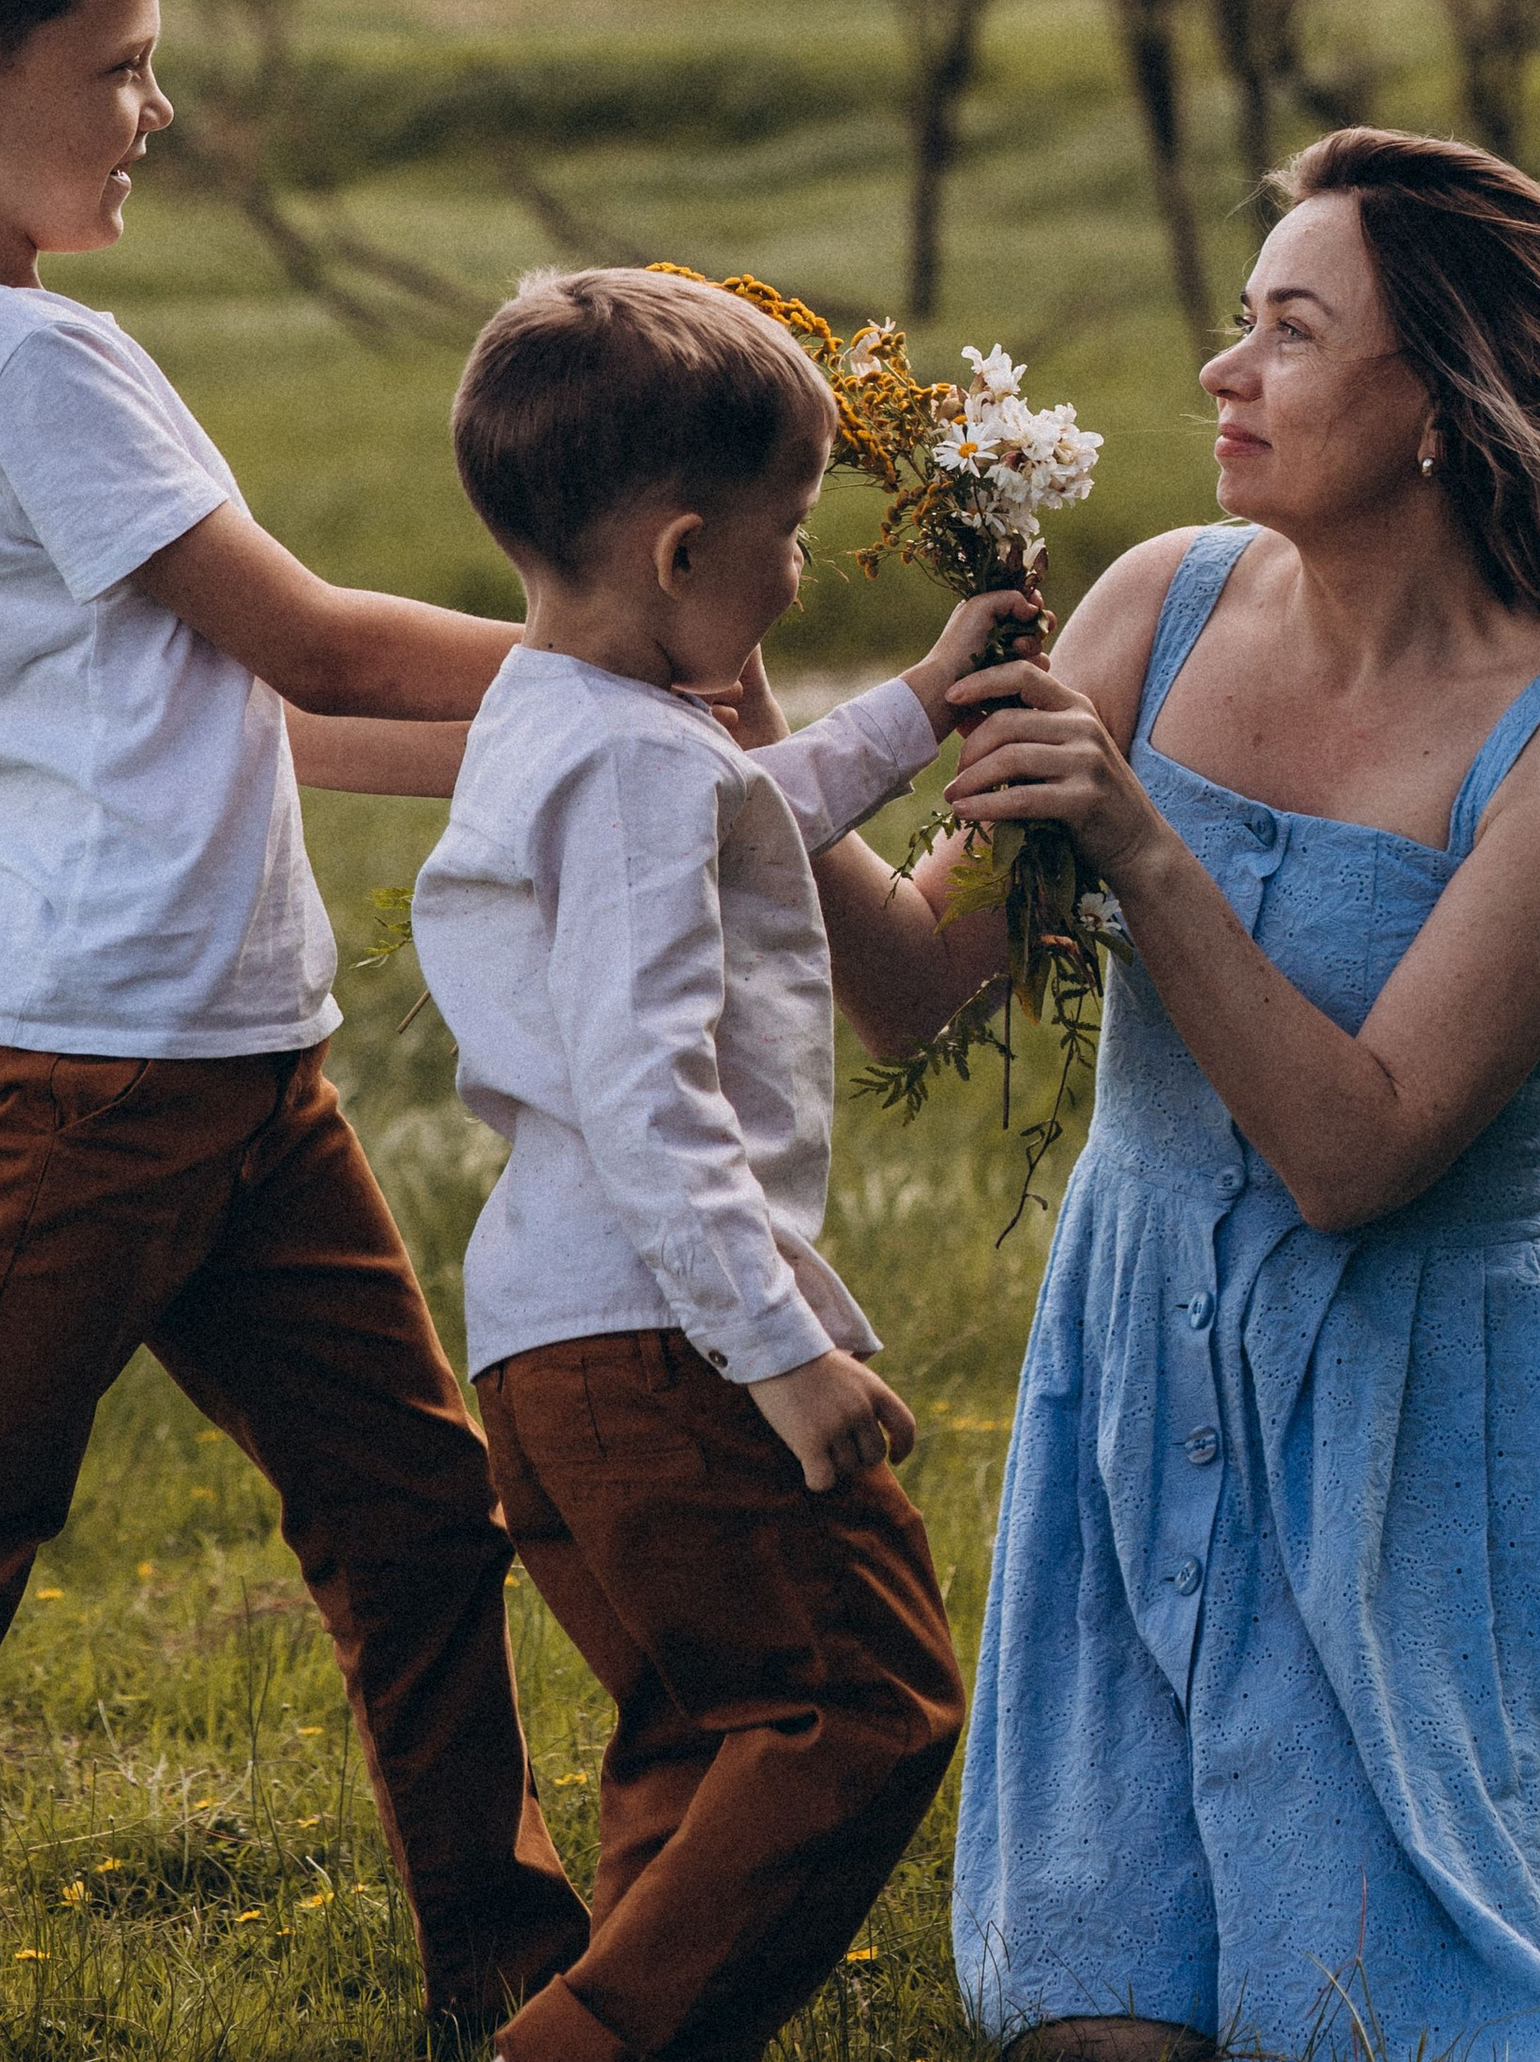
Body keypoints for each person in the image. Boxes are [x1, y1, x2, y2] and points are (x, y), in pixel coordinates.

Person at [842, 126, 1540, 2062]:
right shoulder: (1157, 602)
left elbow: (1356, 1156)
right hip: (1144, 1367)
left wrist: (1139, 840)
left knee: (1374, 2022)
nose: (1221, 372)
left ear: (1444, 401)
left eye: (1287, 332)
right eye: (1238, 321)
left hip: (1414, 1422)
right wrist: (730, 758)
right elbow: (910, 991)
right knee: (1089, 2032)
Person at [0, 0, 590, 2062]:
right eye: (116, 63)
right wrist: (621, 664)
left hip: (228, 1070)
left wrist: (633, 754)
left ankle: (516, 1982)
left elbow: (269, 715)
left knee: (414, 1510)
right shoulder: (30, 367)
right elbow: (312, 630)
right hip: (97, 1076)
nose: (154, 104)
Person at [411, 266, 1010, 2062]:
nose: (800, 568)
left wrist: (917, 703)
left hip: (550, 1339)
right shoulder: (638, 769)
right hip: (665, 1330)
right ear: (684, 556)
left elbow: (751, 810)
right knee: (864, 1696)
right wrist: (782, 1344)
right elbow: (647, 1087)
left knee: (705, 1714)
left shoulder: (563, 717)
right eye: (792, 532)